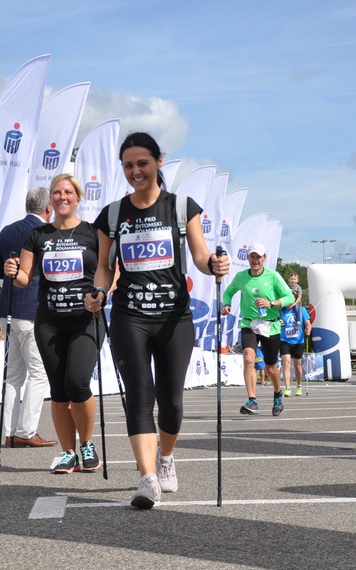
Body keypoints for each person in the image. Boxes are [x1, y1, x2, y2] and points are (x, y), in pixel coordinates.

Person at [85, 131, 230, 509]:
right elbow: (105, 267)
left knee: (171, 401)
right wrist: (99, 291)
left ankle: (166, 459)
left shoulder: (181, 207)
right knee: (139, 394)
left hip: (173, 318)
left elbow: (200, 257)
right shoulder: (112, 215)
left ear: (158, 162)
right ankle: (147, 478)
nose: (135, 171)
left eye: (142, 164)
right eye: (128, 165)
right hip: (129, 316)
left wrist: (215, 265)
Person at [4, 174, 102, 472]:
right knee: (59, 390)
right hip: (49, 322)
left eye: (68, 192)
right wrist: (13, 271)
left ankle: (87, 443)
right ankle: (68, 452)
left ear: (78, 197)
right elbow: (24, 278)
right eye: (57, 192)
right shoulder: (38, 235)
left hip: (85, 320)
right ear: (50, 199)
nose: (62, 197)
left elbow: (111, 270)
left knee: (77, 383)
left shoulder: (92, 233)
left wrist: (102, 293)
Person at [0, 188, 55, 449]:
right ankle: (26, 431)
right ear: (47, 208)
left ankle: (9, 432)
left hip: (8, 308)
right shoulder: (45, 232)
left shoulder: (8, 231)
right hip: (33, 310)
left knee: (14, 375)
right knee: (39, 373)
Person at [221, 242, 294, 417]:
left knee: (270, 367)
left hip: (270, 325)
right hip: (249, 324)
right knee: (248, 358)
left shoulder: (273, 276)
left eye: (258, 257)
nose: (255, 260)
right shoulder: (241, 277)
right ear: (248, 258)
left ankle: (277, 394)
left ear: (264, 258)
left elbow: (290, 297)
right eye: (252, 256)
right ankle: (252, 400)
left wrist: (271, 303)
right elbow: (228, 292)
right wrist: (227, 304)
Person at [279, 284, 311, 396]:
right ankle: (287, 388)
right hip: (285, 340)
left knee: (297, 365)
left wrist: (308, 329)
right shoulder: (282, 310)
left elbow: (308, 323)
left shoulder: (301, 310)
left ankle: (299, 385)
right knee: (286, 363)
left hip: (298, 341)